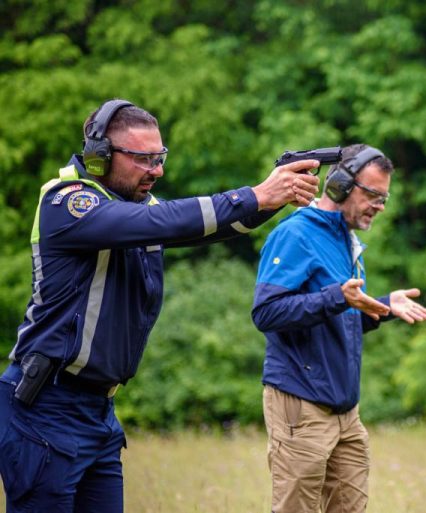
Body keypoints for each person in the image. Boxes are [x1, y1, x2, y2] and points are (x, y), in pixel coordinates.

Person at [0, 98, 320, 512]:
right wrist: (256, 194)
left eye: (159, 158)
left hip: (97, 411)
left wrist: (269, 201)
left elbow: (204, 227)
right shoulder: (67, 201)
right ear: (99, 156)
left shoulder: (137, 208)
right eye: (144, 159)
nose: (157, 170)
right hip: (46, 406)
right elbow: (162, 221)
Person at [251, 143, 426, 513]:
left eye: (384, 198)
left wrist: (384, 307)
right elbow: (266, 313)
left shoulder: (346, 240)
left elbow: (339, 315)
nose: (380, 206)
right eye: (374, 195)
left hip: (346, 411)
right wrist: (336, 297)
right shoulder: (296, 234)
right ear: (340, 186)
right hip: (301, 404)